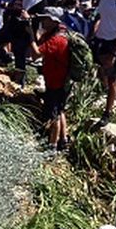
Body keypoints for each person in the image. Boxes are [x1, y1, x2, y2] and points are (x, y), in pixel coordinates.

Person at [34, 10, 71, 154]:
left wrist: (30, 35)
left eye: (45, 19)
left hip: (56, 82)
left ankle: (52, 146)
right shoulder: (61, 35)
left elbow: (36, 53)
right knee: (60, 110)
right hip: (62, 81)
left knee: (54, 113)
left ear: (54, 21)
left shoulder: (56, 40)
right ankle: (64, 140)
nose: (43, 21)